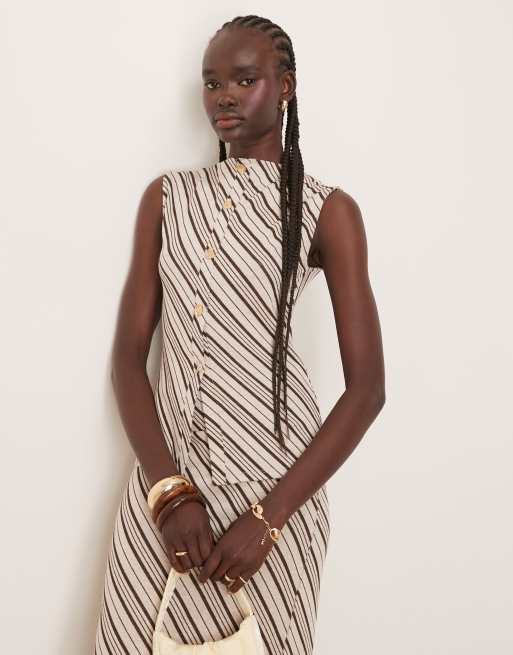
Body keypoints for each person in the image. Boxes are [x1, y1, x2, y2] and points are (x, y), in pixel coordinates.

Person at [94, 13, 385, 655]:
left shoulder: (328, 210)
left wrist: (269, 520)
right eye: (212, 83)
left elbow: (367, 390)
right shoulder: (167, 198)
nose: (223, 96)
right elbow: (127, 361)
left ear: (286, 87)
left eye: (244, 80)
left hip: (276, 496)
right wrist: (169, 493)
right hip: (166, 488)